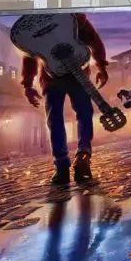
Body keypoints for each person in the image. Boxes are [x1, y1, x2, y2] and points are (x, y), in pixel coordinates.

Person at [20, 13, 109, 185]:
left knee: (75, 115)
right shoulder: (72, 17)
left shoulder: (74, 17)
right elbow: (31, 52)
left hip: (70, 75)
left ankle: (76, 160)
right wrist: (28, 84)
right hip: (55, 77)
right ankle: (68, 162)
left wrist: (101, 65)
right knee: (67, 117)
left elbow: (93, 40)